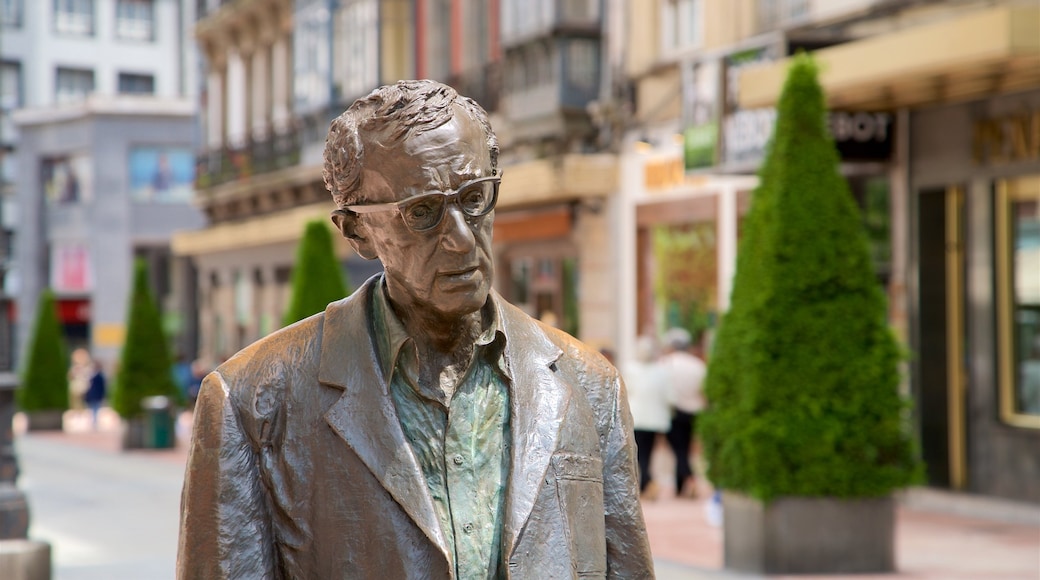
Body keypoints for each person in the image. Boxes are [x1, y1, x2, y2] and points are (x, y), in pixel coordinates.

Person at [177, 80, 653, 579]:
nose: (461, 240)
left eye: (475, 197)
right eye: (421, 212)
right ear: (356, 230)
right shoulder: (253, 401)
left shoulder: (590, 385)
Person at [620, 336, 672, 501]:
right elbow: (668, 396)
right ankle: (646, 484)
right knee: (646, 452)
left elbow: (625, 392)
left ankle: (647, 482)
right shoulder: (661, 371)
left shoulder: (631, 369)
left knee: (639, 452)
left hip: (637, 418)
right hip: (654, 420)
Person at [661, 327, 707, 499]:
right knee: (684, 448)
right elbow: (704, 391)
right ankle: (680, 486)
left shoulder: (666, 363)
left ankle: (690, 479)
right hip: (694, 412)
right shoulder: (698, 365)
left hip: (673, 412)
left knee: (679, 450)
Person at [83, 361, 106, 430]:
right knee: (92, 408)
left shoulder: (100, 376)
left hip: (97, 395)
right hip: (92, 395)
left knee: (96, 408)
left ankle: (95, 422)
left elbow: (102, 387)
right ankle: (93, 421)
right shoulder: (92, 375)